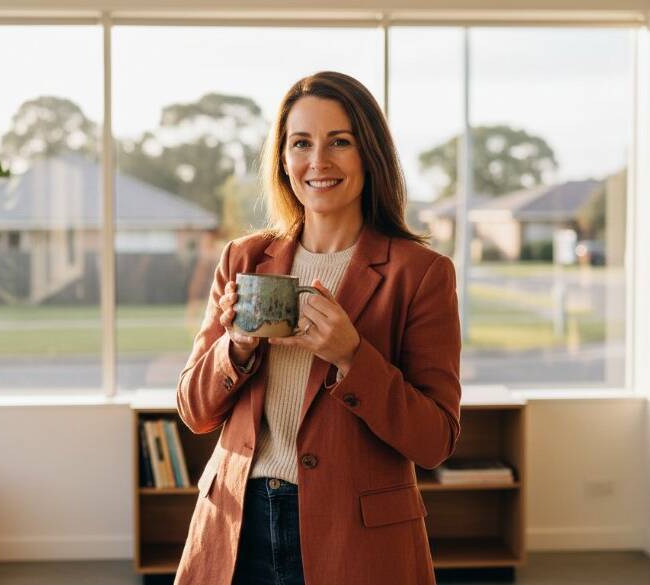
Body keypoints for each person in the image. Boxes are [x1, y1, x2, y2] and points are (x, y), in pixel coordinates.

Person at [174, 71, 462, 585]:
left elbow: (435, 439)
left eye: (340, 142)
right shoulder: (245, 259)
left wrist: (353, 357)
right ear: (283, 160)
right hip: (237, 528)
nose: (318, 162)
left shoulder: (420, 273)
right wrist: (235, 348)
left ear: (368, 154)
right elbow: (194, 411)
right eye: (301, 143)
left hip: (357, 538)